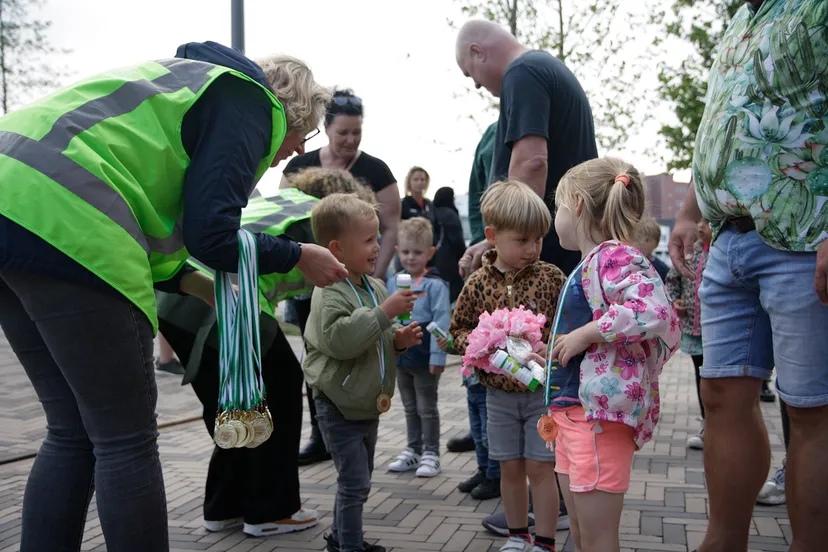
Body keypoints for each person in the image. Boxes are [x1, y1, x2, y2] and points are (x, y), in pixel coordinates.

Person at [0, 41, 348, 552]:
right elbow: (213, 234)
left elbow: (161, 219)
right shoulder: (248, 101)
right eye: (306, 131)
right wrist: (298, 255)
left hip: (13, 201)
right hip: (69, 220)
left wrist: (194, 282)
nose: (297, 148)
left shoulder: (185, 83)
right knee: (125, 441)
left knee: (71, 432)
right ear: (290, 108)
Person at [667, 2, 828, 550]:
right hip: (728, 240)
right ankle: (723, 542)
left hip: (805, 236)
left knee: (812, 411)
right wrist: (688, 210)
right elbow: (723, 120)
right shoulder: (741, 18)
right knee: (719, 393)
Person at [156, 171, 376, 538]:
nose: (375, 246)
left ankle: (225, 507)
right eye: (370, 238)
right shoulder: (325, 217)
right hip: (222, 295)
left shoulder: (282, 203)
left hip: (176, 294)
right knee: (280, 392)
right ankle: (273, 510)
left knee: (234, 403)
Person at [539, 158, 679, 552]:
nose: (555, 218)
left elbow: (653, 311)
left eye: (558, 207)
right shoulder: (592, 262)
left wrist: (585, 334)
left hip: (597, 419)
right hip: (572, 414)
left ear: (578, 204)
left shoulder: (614, 257)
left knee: (596, 538)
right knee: (582, 534)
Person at [281, 88, 402, 466]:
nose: (350, 140)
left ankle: (357, 424)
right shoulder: (300, 165)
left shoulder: (377, 170)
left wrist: (374, 274)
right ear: (327, 128)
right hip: (308, 280)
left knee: (363, 344)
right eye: (343, 133)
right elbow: (282, 218)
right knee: (318, 350)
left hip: (363, 279)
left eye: (357, 132)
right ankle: (323, 432)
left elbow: (391, 226)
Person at [450, 180, 566, 552]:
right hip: (497, 397)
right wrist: (479, 346)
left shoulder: (551, 278)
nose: (532, 249)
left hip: (541, 397)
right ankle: (517, 536)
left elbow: (568, 326)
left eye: (539, 239)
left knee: (541, 468)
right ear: (492, 237)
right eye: (522, 240)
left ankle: (544, 541)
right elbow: (457, 330)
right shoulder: (477, 284)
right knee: (510, 468)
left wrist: (551, 347)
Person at [303, 193, 423, 552]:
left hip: (365, 402)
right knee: (354, 482)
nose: (377, 247)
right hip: (338, 404)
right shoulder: (328, 291)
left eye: (377, 237)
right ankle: (349, 547)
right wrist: (385, 314)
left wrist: (398, 340)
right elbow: (341, 341)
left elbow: (377, 337)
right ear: (337, 249)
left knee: (359, 479)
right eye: (368, 239)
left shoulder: (375, 287)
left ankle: (341, 539)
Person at [455, 20, 597, 278]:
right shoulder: (542, 68)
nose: (475, 84)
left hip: (543, 261)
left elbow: (532, 162)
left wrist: (505, 238)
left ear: (477, 52)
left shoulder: (523, 72)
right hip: (566, 247)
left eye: (468, 72)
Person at [386, 217, 451, 478]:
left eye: (417, 252)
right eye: (405, 252)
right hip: (402, 354)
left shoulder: (435, 285)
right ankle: (413, 449)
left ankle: (431, 453)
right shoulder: (393, 282)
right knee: (409, 406)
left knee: (426, 407)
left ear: (430, 253)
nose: (410, 258)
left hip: (424, 353)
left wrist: (438, 357)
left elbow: (441, 322)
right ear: (397, 251)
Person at [666, 220, 711, 450]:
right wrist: (675, 300)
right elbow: (672, 279)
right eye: (699, 221)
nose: (701, 226)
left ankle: (720, 426)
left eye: (708, 221)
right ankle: (707, 425)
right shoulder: (689, 253)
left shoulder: (720, 253)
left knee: (718, 381)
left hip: (717, 330)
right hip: (693, 330)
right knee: (701, 376)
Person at [431, 187, 467, 303]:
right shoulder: (450, 214)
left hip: (433, 259)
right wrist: (464, 255)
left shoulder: (431, 212)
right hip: (449, 260)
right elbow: (457, 240)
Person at [633, 217, 670, 282]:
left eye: (647, 240)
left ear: (656, 244)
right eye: (638, 238)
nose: (642, 243)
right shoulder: (630, 262)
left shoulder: (662, 268)